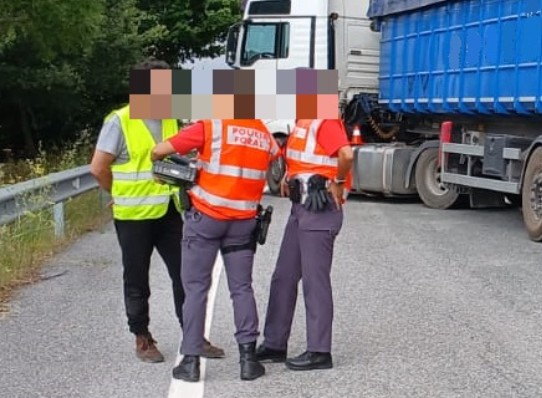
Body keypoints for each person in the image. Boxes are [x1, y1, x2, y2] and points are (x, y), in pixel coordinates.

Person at [88, 58, 225, 364]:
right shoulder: (120, 120)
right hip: (133, 216)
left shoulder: (169, 119)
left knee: (186, 275)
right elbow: (98, 168)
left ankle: (194, 336)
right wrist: (117, 193)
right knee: (137, 278)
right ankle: (142, 338)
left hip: (169, 211)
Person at [151, 113, 280, 383]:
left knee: (196, 289)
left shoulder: (211, 126)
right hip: (243, 222)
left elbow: (159, 150)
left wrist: (172, 168)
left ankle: (190, 362)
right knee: (242, 288)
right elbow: (273, 162)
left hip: (206, 220)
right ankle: (248, 361)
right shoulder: (263, 133)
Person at [254, 117, 353, 371]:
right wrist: (289, 174)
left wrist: (338, 182)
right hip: (301, 208)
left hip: (320, 210)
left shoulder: (325, 121)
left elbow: (346, 155)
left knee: (314, 281)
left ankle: (320, 351)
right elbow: (302, 158)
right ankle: (275, 343)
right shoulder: (302, 123)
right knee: (283, 277)